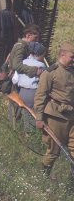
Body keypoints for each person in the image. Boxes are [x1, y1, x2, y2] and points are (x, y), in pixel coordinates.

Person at [33, 42, 74, 177]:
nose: (73, 60)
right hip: (56, 116)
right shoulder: (50, 72)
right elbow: (40, 96)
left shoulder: (72, 71)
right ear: (62, 54)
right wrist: (39, 118)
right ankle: (42, 177)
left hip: (72, 116)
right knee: (54, 151)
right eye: (72, 57)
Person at [12, 42, 46, 132]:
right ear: (39, 54)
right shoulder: (41, 65)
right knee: (32, 114)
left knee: (22, 113)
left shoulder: (23, 62)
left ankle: (21, 131)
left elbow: (14, 80)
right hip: (33, 93)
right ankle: (31, 134)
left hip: (21, 92)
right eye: (43, 55)